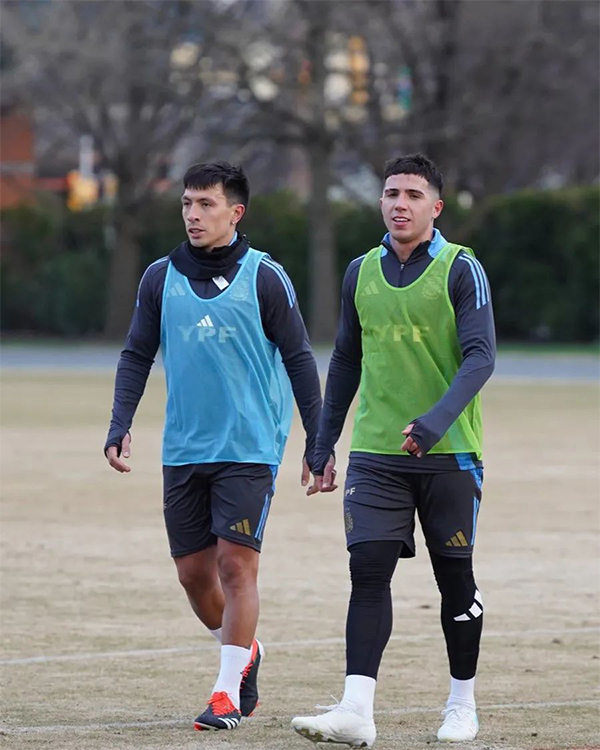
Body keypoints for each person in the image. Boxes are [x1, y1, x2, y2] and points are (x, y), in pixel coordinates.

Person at [104, 161, 322, 733]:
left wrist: (317, 439)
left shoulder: (265, 276)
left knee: (235, 565)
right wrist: (120, 422)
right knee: (193, 575)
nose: (193, 215)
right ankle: (245, 651)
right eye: (187, 204)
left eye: (206, 204)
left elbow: (299, 358)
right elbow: (136, 353)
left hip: (249, 446)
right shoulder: (159, 277)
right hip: (183, 448)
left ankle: (226, 695)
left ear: (235, 212)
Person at [292, 154, 496, 747]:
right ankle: (357, 710)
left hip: (450, 453)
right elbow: (346, 360)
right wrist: (322, 442)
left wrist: (434, 423)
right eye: (390, 194)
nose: (399, 204)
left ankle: (461, 704)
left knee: (455, 579)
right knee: (367, 570)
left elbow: (482, 357)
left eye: (413, 195)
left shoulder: (462, 268)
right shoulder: (360, 272)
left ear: (436, 207)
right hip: (376, 452)